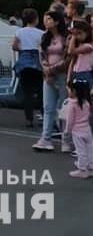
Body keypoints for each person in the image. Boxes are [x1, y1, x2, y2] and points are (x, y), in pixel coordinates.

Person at [33, 8, 70, 151]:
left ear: (57, 21)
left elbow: (68, 57)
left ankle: (66, 140)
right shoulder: (44, 37)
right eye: (45, 19)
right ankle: (46, 138)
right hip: (48, 76)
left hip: (63, 75)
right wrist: (46, 69)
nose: (46, 21)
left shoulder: (66, 37)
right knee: (48, 108)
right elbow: (42, 55)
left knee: (64, 108)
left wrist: (53, 69)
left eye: (49, 19)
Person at [13, 8, 43, 129]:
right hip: (37, 61)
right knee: (41, 91)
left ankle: (29, 119)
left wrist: (22, 49)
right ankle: (44, 115)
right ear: (36, 19)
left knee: (27, 92)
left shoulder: (19, 32)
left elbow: (14, 46)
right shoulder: (41, 33)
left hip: (24, 61)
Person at [63, 79, 93, 178]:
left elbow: (70, 120)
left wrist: (67, 131)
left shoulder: (72, 104)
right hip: (87, 130)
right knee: (89, 149)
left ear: (75, 91)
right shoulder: (87, 103)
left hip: (77, 131)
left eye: (70, 89)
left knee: (81, 151)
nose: (69, 91)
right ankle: (90, 165)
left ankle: (82, 170)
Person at [66, 19, 93, 87]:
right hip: (75, 73)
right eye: (76, 34)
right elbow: (72, 62)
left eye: (80, 33)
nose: (78, 36)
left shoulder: (88, 47)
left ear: (87, 33)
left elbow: (70, 51)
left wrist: (73, 35)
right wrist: (68, 78)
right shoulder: (78, 46)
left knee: (84, 96)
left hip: (85, 74)